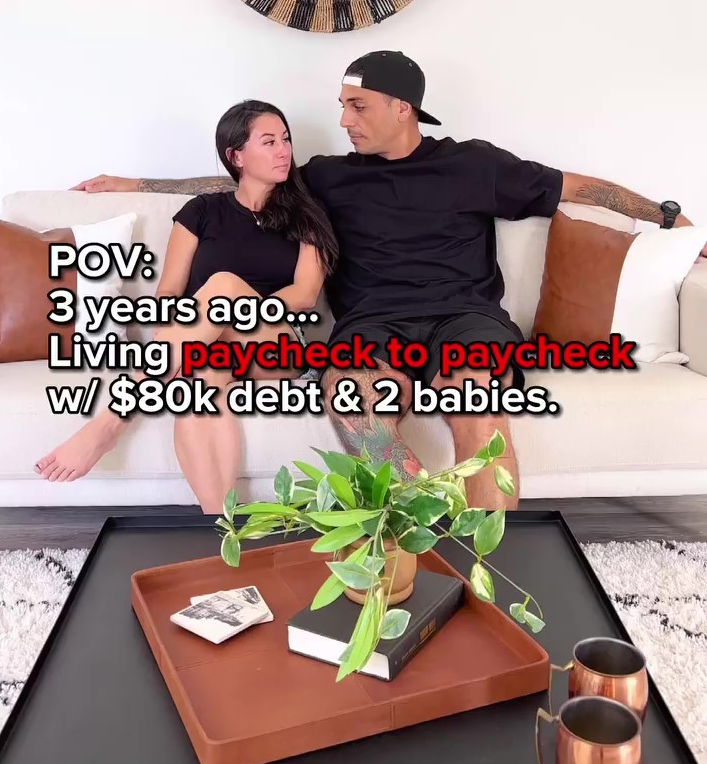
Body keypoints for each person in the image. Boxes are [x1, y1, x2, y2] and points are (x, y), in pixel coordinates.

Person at [68, 50, 704, 511]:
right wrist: (135, 183)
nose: (344, 119)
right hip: (372, 327)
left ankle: (493, 563)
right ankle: (420, 534)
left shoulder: (474, 164)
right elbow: (241, 177)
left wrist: (666, 216)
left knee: (476, 405)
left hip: (466, 319)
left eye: (357, 106)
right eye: (342, 107)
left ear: (403, 108)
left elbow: (575, 187)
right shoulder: (329, 176)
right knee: (355, 406)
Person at [35, 101, 338, 511]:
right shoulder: (201, 212)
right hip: (207, 342)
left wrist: (234, 309)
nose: (283, 150)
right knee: (200, 383)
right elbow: (169, 294)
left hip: (275, 343)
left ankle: (109, 423)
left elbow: (303, 295)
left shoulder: (307, 213)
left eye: (285, 139)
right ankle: (221, 526)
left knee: (225, 286)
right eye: (269, 142)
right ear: (236, 156)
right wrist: (191, 329)